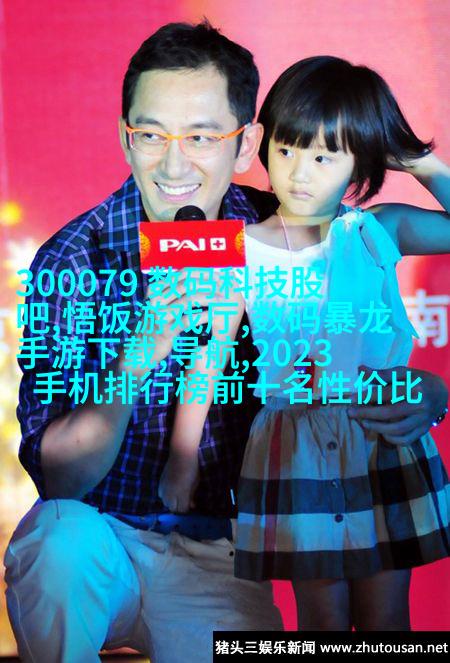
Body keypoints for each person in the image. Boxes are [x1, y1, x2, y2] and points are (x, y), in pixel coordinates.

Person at [3, 22, 447, 661]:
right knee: (59, 547)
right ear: (125, 138)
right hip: (101, 533)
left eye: (202, 137)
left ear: (246, 145)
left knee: (377, 619)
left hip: (218, 549)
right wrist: (140, 355)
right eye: (151, 134)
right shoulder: (75, 257)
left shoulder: (294, 226)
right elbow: (60, 476)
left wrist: (428, 390)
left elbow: (336, 329)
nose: (174, 163)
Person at [163, 56, 450, 632]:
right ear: (264, 144)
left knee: (387, 617)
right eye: (288, 149)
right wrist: (182, 460)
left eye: (325, 156)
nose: (299, 172)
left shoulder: (376, 230)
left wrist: (415, 158)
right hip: (292, 442)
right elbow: (210, 354)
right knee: (321, 617)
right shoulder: (235, 246)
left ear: (360, 160)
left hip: (379, 432)